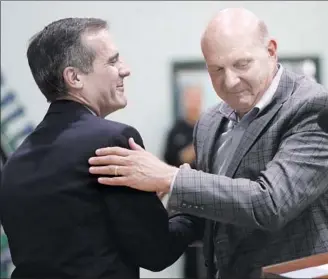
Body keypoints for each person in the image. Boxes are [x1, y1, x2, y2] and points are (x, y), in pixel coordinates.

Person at [88, 7, 328, 279]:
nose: (229, 81)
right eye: (216, 69)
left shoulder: (311, 107)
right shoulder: (209, 123)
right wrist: (148, 213)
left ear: (271, 51)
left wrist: (171, 178)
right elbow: (211, 214)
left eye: (242, 64)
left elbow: (271, 204)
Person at [0, 18, 203, 279]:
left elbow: (81, 234)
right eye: (112, 61)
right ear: (74, 77)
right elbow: (156, 251)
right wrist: (193, 204)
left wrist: (149, 203)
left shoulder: (15, 163)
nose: (125, 69)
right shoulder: (112, 141)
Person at [163, 85, 204, 278]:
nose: (193, 103)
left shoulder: (209, 126)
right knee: (190, 252)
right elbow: (168, 162)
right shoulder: (176, 130)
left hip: (209, 196)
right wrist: (189, 153)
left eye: (197, 98)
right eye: (190, 98)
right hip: (186, 201)